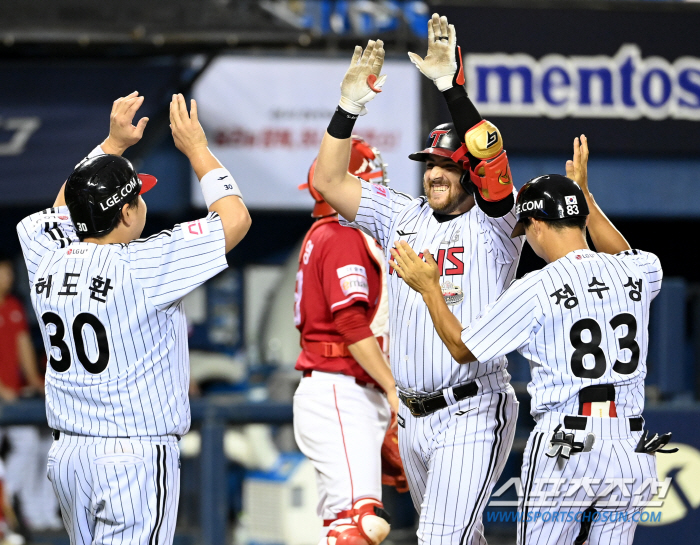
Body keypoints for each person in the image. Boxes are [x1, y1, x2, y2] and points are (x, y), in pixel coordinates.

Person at [389, 136, 672, 544]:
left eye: (526, 228)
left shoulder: (537, 287)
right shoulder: (636, 272)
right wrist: (586, 198)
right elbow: (624, 253)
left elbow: (461, 347)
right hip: (630, 446)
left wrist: (431, 289)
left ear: (536, 223)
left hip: (567, 442)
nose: (528, 239)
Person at [312, 13, 523, 544]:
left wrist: (451, 88)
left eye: (448, 165)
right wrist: (348, 109)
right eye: (430, 162)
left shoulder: (497, 223)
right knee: (457, 539)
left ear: (469, 173)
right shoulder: (402, 215)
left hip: (471, 407)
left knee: (440, 539)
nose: (434, 172)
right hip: (413, 414)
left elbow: (491, 155)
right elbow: (329, 180)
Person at [16, 91, 251, 545]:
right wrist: (198, 149)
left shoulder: (42, 249)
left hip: (70, 456)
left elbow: (67, 207)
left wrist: (110, 144)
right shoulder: (144, 265)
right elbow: (235, 219)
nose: (144, 204)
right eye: (139, 197)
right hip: (133, 455)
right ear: (126, 211)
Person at [293, 136, 407, 545]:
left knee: (344, 524)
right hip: (341, 389)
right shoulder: (342, 234)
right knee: (363, 524)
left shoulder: (328, 232)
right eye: (372, 182)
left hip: (343, 388)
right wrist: (393, 388)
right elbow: (351, 326)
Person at [0, 255, 60, 533]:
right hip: (3, 398)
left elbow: (24, 344)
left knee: (35, 444)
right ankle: (8, 508)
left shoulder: (13, 306)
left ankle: (32, 511)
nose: (6, 277)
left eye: (8, 272)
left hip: (14, 399)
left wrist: (36, 381)